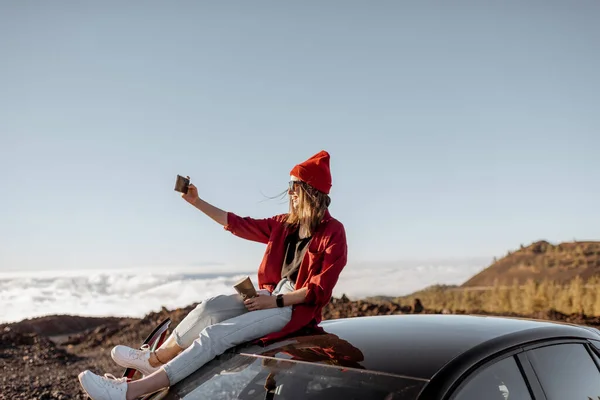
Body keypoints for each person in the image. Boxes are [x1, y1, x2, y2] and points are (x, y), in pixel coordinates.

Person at [78, 150, 348, 400]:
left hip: (293, 309)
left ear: (310, 192)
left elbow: (318, 290)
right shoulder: (285, 224)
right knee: (209, 308)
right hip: (271, 296)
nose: (289, 194)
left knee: (216, 335)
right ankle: (154, 360)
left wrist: (274, 302)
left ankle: (129, 392)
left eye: (293, 188)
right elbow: (238, 224)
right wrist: (196, 202)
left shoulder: (333, 232)